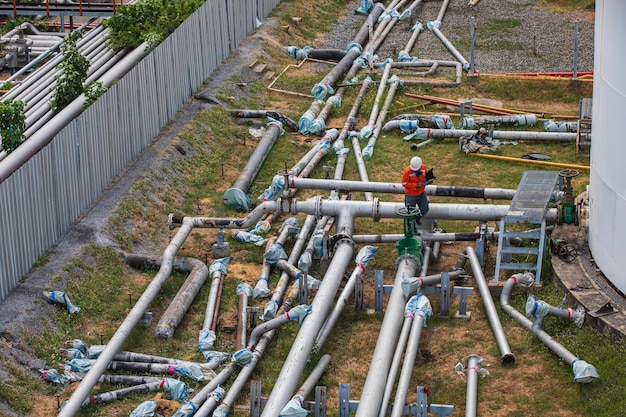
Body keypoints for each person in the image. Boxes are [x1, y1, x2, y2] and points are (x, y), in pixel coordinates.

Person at [402, 156, 430, 226]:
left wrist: (428, 180)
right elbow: (404, 183)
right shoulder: (407, 171)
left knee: (425, 208)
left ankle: (417, 217)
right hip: (411, 195)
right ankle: (412, 230)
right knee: (410, 213)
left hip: (421, 192)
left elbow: (425, 176)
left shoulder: (423, 167)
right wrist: (415, 185)